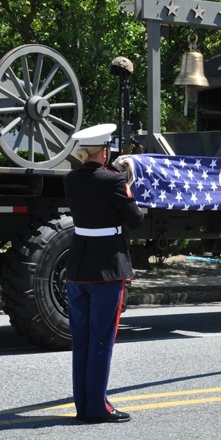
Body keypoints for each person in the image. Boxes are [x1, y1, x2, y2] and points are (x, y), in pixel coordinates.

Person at [63, 123, 145, 423]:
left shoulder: (71, 179)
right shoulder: (114, 180)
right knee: (101, 339)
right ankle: (98, 407)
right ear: (105, 151)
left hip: (78, 265)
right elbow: (135, 220)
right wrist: (130, 188)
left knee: (82, 339)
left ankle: (83, 405)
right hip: (107, 267)